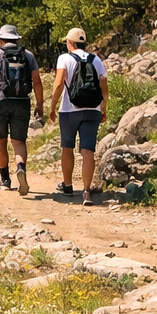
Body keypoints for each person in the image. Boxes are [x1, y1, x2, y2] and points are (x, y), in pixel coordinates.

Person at [0, 24, 44, 195]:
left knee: (0, 140)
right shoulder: (28, 55)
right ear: (16, 39)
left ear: (1, 40)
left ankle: (5, 180)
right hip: (22, 101)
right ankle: (20, 168)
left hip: (0, 102)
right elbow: (36, 81)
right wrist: (40, 105)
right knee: (19, 141)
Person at [47, 27, 109, 207]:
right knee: (87, 150)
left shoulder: (64, 58)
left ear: (70, 43)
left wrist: (52, 106)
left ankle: (67, 186)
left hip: (69, 110)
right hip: (93, 110)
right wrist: (103, 109)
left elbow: (59, 84)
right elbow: (104, 89)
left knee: (67, 147)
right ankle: (87, 190)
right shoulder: (96, 60)